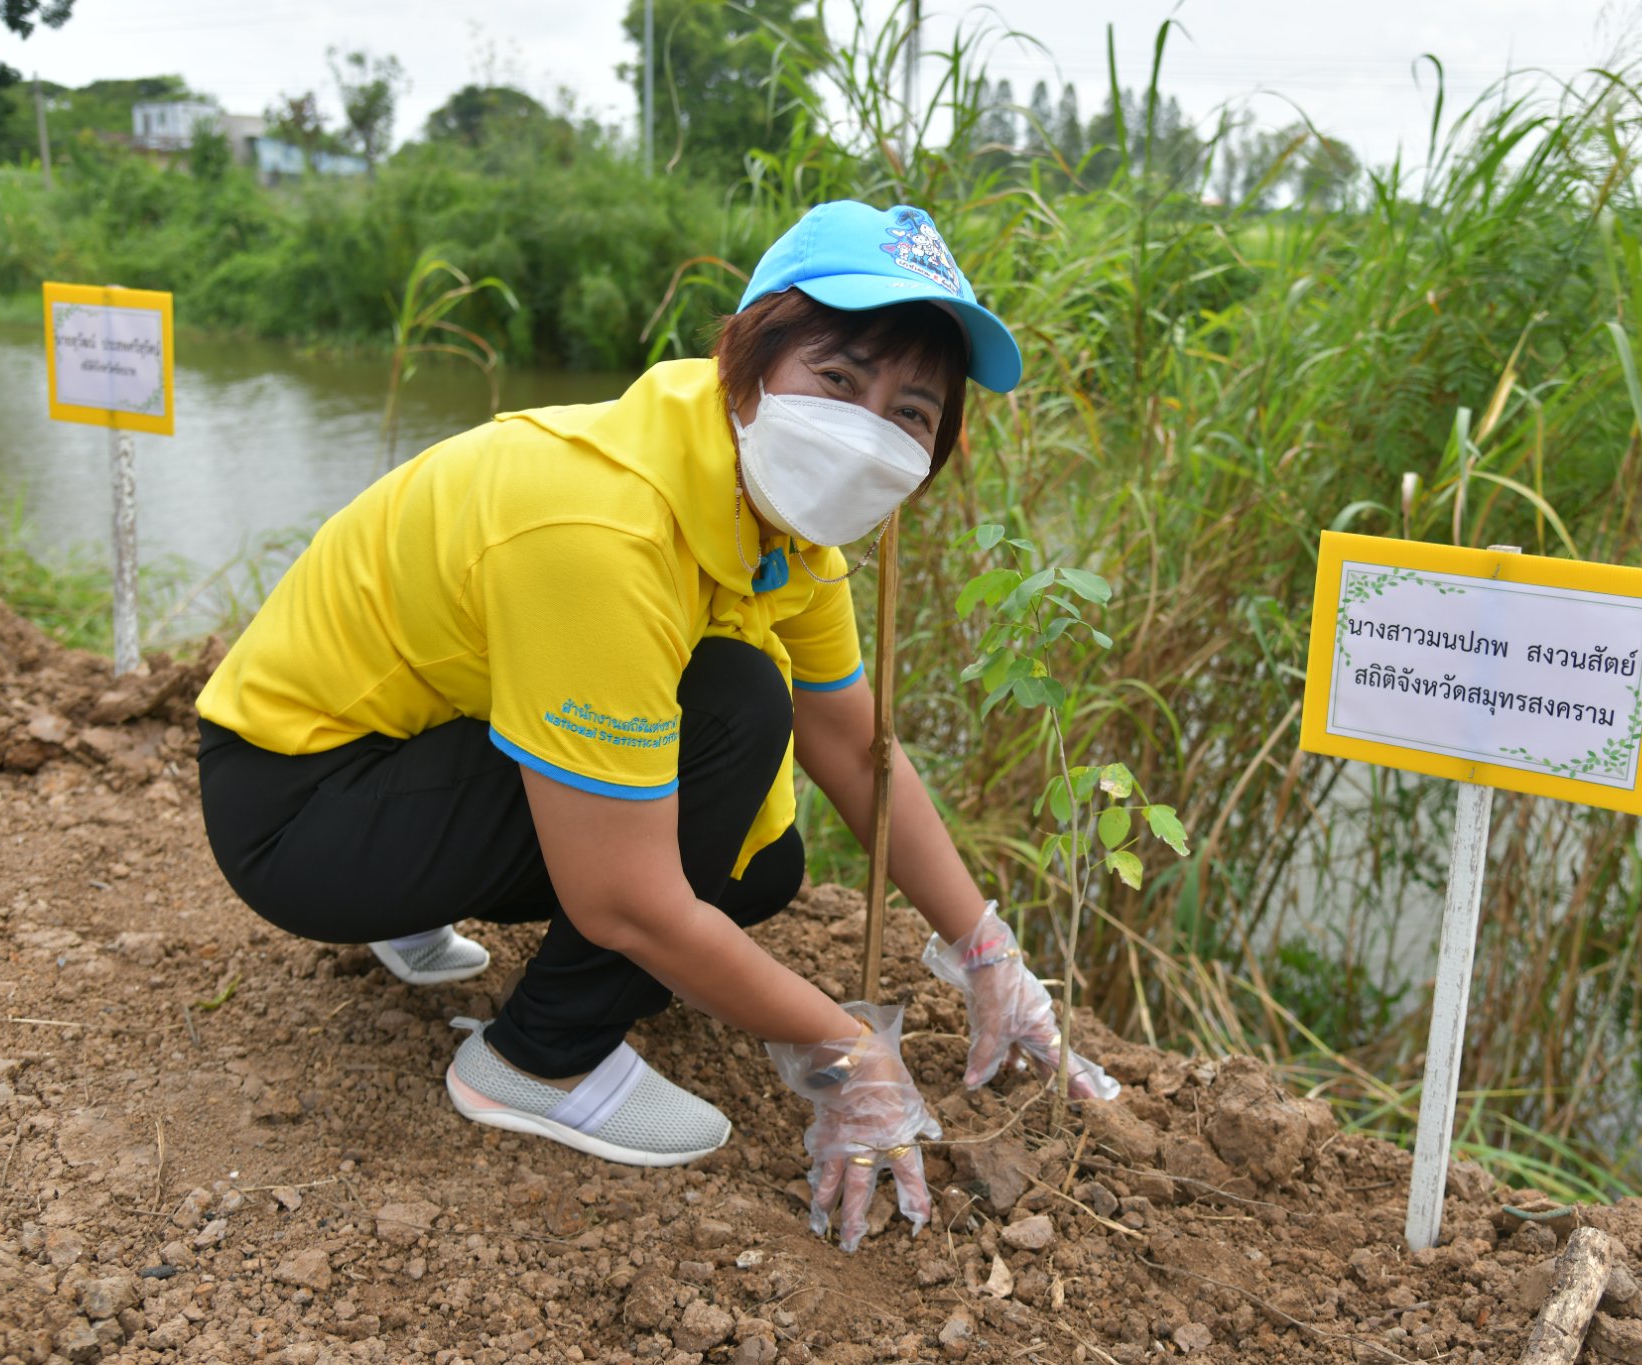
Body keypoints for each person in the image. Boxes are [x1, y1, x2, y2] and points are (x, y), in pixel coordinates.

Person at [194, 200, 1118, 1252]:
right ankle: (535, 1060)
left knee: (756, 866)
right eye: (841, 377)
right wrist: (845, 1055)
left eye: (911, 411)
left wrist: (985, 948)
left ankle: (416, 894)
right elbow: (624, 899)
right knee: (731, 709)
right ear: (747, 357)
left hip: (410, 756)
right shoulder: (599, 520)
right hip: (295, 808)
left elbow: (853, 749)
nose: (868, 429)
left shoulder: (779, 519)